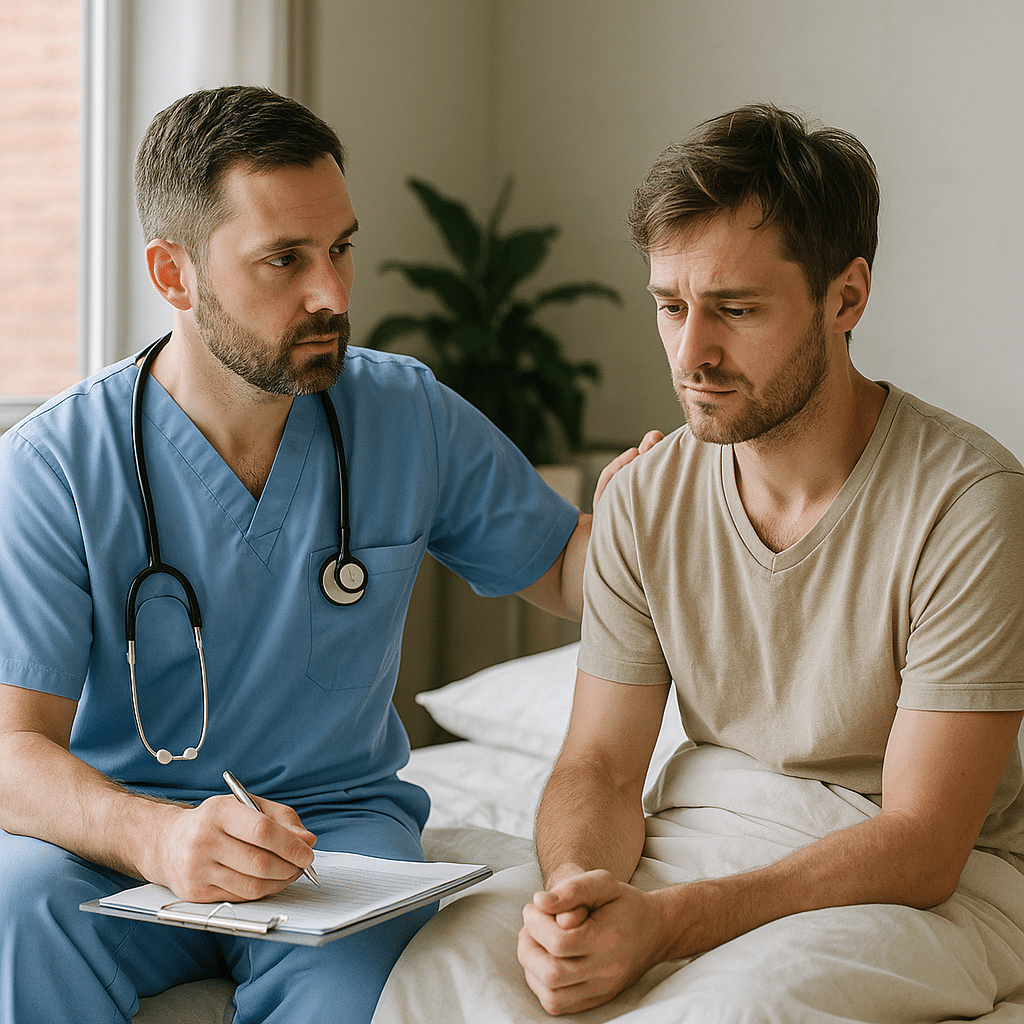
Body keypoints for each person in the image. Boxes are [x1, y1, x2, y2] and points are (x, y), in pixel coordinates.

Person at [0, 86, 657, 1024]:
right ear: (173, 273)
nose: (333, 295)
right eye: (285, 260)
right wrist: (155, 839)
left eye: (342, 248)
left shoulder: (404, 413)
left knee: (356, 978)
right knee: (13, 908)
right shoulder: (55, 464)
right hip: (117, 834)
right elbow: (12, 748)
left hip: (336, 839)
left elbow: (563, 573)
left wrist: (644, 514)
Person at [370, 104, 1024, 1022]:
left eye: (736, 310)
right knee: (451, 962)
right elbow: (598, 764)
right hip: (708, 830)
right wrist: (582, 897)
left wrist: (669, 926)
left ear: (847, 296)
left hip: (919, 882)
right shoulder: (642, 498)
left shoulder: (969, 501)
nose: (692, 355)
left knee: (738, 1009)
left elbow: (924, 842)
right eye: (671, 307)